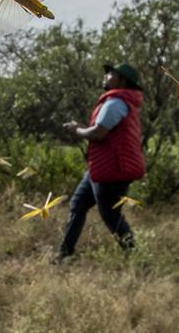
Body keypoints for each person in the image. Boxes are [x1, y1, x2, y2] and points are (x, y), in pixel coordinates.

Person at [58, 62, 145, 261]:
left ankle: (137, 259)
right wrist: (81, 129)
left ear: (121, 80)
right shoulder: (120, 102)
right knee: (78, 204)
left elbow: (98, 133)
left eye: (111, 74)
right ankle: (64, 254)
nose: (106, 76)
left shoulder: (116, 103)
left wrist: (76, 130)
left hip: (111, 171)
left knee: (111, 217)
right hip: (101, 168)